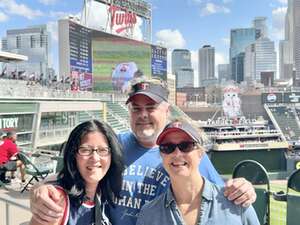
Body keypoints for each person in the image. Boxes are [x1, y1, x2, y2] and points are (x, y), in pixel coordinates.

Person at [30, 78, 256, 225]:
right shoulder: (112, 146)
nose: (143, 114)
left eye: (151, 107)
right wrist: (41, 189)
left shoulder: (187, 152)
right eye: (136, 108)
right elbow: (72, 175)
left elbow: (222, 193)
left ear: (167, 110)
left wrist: (243, 188)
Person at [136, 119, 259, 225]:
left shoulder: (236, 202)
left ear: (200, 153)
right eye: (168, 147)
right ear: (162, 155)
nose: (177, 153)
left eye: (186, 146)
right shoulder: (148, 214)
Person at [30, 120, 124, 225]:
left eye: (103, 150)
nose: (95, 158)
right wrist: (38, 190)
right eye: (85, 150)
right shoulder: (58, 200)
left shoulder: (101, 192)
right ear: (73, 155)